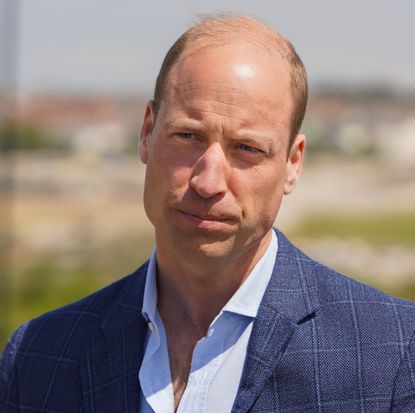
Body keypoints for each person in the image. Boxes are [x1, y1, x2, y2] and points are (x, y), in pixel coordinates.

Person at [1, 14, 415, 413]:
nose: (208, 181)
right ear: (146, 133)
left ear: (292, 163)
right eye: (187, 136)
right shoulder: (39, 355)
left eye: (247, 149)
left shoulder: (394, 354)